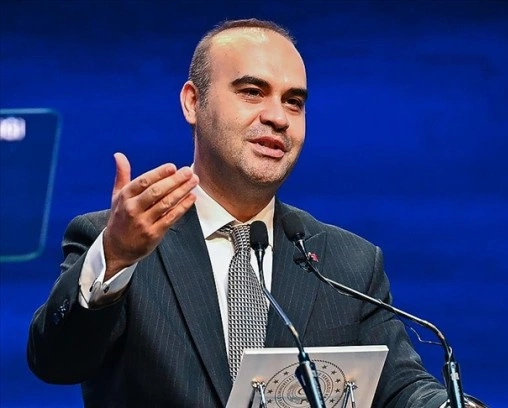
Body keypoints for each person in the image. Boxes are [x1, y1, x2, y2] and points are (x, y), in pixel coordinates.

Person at [27, 18, 451, 407]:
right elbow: (56, 362)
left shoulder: (348, 263)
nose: (278, 117)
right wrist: (117, 256)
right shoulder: (117, 243)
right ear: (193, 102)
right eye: (252, 92)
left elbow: (403, 388)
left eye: (294, 101)